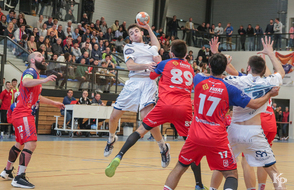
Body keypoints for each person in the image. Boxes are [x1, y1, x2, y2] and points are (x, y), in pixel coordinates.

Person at [163, 37, 280, 190]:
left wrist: (216, 54)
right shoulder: (235, 86)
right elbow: (257, 100)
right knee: (241, 172)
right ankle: (261, 187)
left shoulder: (201, 79)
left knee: (181, 167)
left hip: (200, 133)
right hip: (238, 132)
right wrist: (270, 94)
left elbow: (207, 74)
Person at [106, 40, 207, 189]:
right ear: (186, 55)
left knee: (141, 130)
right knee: (190, 145)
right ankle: (198, 184)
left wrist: (157, 64)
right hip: (184, 108)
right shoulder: (191, 69)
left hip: (165, 105)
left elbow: (152, 77)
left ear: (171, 53)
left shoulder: (164, 63)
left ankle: (119, 155)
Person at [211, 36, 286, 190]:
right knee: (273, 171)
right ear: (264, 70)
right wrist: (271, 53)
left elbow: (219, 74)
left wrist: (218, 55)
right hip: (254, 132)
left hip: (234, 130)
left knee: (221, 165)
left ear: (248, 68)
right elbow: (281, 72)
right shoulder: (268, 82)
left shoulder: (238, 80)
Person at [103, 22, 167, 166]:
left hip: (148, 83)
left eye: (136, 31)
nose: (134, 34)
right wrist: (146, 65)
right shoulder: (129, 47)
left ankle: (163, 147)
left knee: (147, 119)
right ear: (130, 38)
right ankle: (111, 138)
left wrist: (149, 27)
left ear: (142, 33)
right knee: (113, 117)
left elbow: (157, 46)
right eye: (131, 33)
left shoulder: (150, 48)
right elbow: (130, 66)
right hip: (133, 83)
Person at [0, 52, 64, 188]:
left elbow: (37, 97)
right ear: (33, 60)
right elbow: (25, 82)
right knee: (31, 143)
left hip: (21, 113)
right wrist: (44, 80)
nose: (43, 58)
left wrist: (54, 103)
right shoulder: (30, 71)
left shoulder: (36, 77)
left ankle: (7, 171)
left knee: (19, 144)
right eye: (40, 56)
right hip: (23, 113)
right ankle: (19, 177)